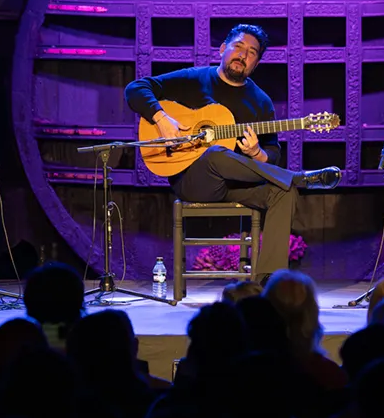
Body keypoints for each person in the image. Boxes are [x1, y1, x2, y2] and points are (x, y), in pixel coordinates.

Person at [124, 24, 340, 283]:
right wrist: (161, 119)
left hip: (237, 186)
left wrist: (257, 153)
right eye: (238, 47)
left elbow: (273, 154)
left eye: (251, 53)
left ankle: (265, 283)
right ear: (223, 49)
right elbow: (135, 89)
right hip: (193, 182)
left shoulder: (260, 101)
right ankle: (297, 177)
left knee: (283, 191)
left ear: (256, 63)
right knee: (216, 153)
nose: (243, 55)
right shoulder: (194, 79)